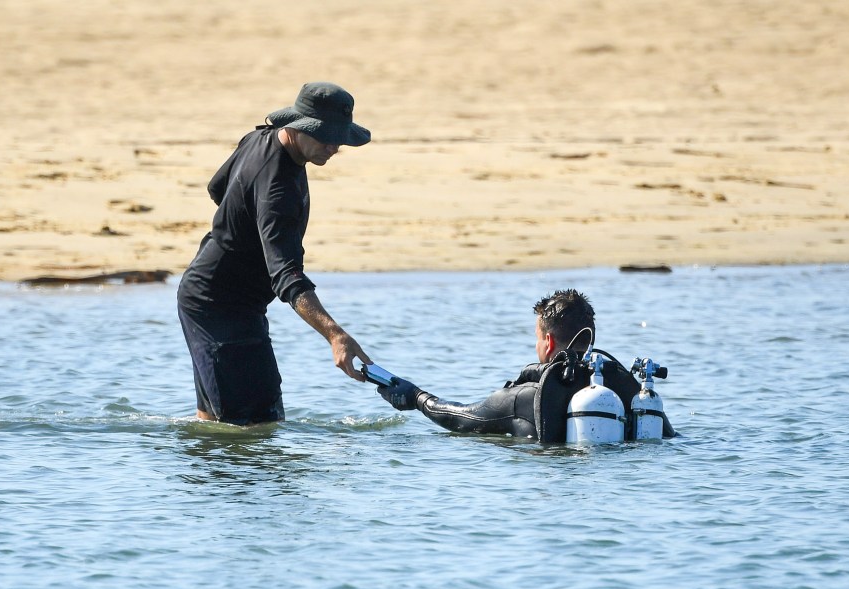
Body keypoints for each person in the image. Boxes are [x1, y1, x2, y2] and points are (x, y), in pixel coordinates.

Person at [177, 82, 373, 425]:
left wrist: (240, 232)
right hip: (219, 308)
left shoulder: (259, 138)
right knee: (255, 425)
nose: (334, 146)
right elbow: (286, 276)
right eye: (325, 136)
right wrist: (335, 335)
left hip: (216, 299)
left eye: (339, 138)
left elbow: (217, 187)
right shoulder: (278, 192)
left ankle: (213, 476)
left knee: (218, 421)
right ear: (298, 127)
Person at [376, 289, 677, 440]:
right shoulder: (629, 389)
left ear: (547, 343)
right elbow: (668, 437)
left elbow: (460, 419)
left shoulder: (526, 396)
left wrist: (415, 397)